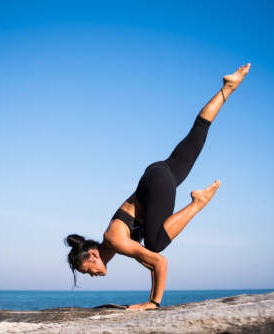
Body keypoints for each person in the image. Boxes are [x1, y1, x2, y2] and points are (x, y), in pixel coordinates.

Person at [65, 63, 251, 311]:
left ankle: (198, 203)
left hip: (157, 185)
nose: (91, 275)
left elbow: (159, 262)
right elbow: (144, 262)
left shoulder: (115, 241)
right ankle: (228, 87)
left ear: (92, 256)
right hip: (157, 174)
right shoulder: (109, 245)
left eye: (86, 271)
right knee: (197, 135)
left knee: (155, 244)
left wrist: (152, 302)